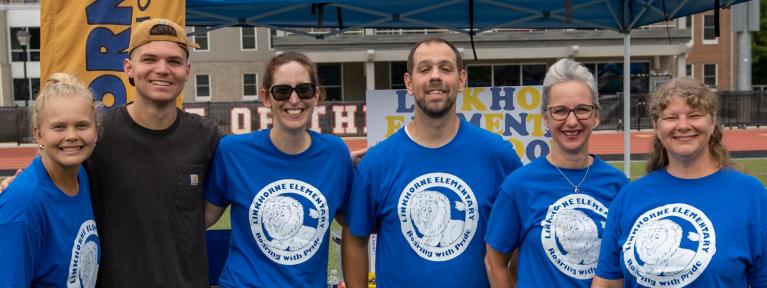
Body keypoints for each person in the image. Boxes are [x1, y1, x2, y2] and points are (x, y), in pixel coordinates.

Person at [341, 37, 523, 287]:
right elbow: (355, 238)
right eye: (424, 69)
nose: (435, 76)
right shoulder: (377, 163)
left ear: (461, 80)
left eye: (445, 68)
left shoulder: (498, 156)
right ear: (409, 82)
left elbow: (521, 232)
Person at [593, 77, 767, 287]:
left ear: (712, 122)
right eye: (671, 117)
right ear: (657, 126)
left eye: (694, 115)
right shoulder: (629, 196)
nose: (683, 126)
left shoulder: (751, 195)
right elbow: (608, 282)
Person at [85, 18, 220, 287]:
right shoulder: (97, 135)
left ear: (187, 70)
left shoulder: (206, 136)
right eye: (149, 59)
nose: (162, 69)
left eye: (174, 61)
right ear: (129, 68)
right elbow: (53, 181)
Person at [203, 51, 353, 287]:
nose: (294, 100)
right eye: (282, 91)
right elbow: (200, 219)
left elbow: (356, 220)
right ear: (265, 97)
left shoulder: (335, 153)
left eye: (303, 90)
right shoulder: (233, 152)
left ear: (316, 95)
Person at [483, 58, 628, 287]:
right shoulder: (519, 186)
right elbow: (495, 262)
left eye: (582, 109)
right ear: (545, 119)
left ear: (596, 116)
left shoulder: (619, 186)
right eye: (559, 111)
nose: (572, 121)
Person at [0, 73, 100, 287]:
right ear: (38, 135)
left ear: (96, 131)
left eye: (82, 125)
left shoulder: (82, 175)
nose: (72, 135)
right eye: (59, 127)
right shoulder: (22, 205)